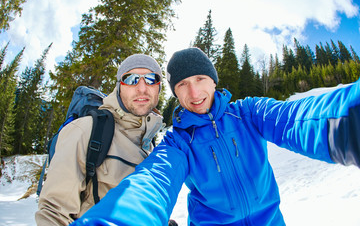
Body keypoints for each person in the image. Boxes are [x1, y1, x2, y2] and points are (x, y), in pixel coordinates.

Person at [71, 47, 360, 226]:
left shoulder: (248, 113)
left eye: (199, 79)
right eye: (183, 84)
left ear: (213, 79)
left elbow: (298, 119)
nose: (194, 94)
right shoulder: (178, 143)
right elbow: (151, 184)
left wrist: (351, 120)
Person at [35, 54, 164, 225]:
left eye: (150, 79)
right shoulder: (85, 130)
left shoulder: (150, 145)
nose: (142, 88)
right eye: (131, 79)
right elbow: (53, 213)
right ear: (119, 87)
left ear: (159, 88)